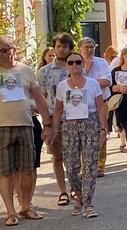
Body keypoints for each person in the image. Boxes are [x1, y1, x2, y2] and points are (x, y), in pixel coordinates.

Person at [0, 36, 53, 226]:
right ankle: (10, 211)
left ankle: (26, 206)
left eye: (5, 50)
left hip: (25, 124)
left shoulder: (26, 71)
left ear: (14, 50)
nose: (1, 54)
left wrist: (47, 124)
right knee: (4, 172)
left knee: (28, 169)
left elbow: (40, 100)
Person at [52, 51, 107, 217]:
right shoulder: (63, 86)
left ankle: (88, 204)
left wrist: (103, 129)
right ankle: (79, 195)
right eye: (71, 63)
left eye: (77, 62)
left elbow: (100, 107)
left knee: (90, 165)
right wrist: (54, 130)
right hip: (70, 125)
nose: (74, 65)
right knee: (71, 166)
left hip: (90, 123)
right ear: (67, 66)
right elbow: (58, 109)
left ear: (83, 64)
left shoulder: (92, 84)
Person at [37, 32, 75, 208]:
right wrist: (47, 123)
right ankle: (62, 191)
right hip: (54, 117)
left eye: (64, 46)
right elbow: (42, 98)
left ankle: (76, 187)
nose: (61, 49)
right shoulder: (44, 72)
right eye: (58, 46)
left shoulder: (75, 67)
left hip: (75, 117)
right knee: (57, 157)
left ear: (70, 48)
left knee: (75, 156)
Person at [79, 37, 113, 176]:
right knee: (82, 136)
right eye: (86, 47)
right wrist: (86, 69)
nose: (90, 50)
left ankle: (99, 166)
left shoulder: (101, 62)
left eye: (92, 47)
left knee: (101, 132)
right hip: (81, 104)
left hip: (101, 102)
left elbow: (106, 81)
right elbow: (73, 84)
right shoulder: (75, 62)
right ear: (79, 49)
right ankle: (84, 166)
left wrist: (86, 82)